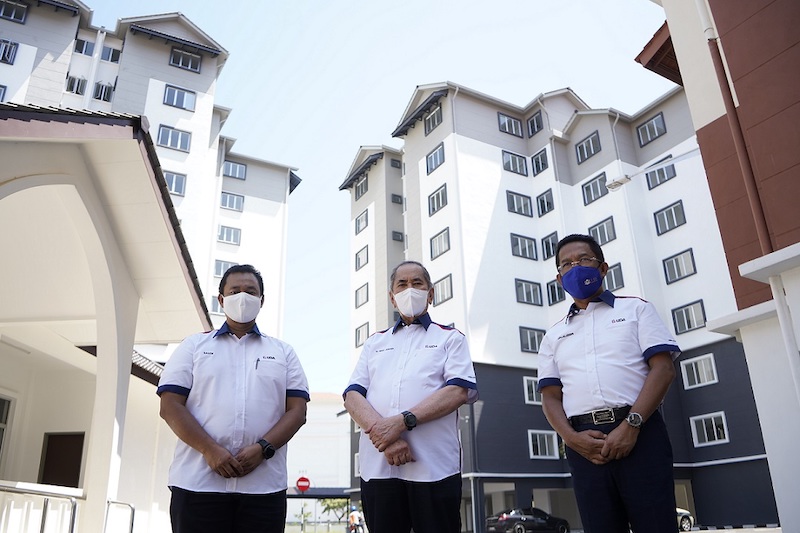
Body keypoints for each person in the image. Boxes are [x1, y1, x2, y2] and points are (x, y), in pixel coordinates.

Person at [538, 234, 680, 533]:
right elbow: (550, 396)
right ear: (559, 278)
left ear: (603, 268)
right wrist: (571, 439)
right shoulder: (553, 335)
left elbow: (663, 368)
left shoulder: (637, 310)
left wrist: (631, 425)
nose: (575, 267)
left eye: (584, 259)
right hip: (583, 444)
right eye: (566, 264)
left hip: (640, 433)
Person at [157, 264, 310, 533]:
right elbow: (170, 406)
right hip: (197, 484)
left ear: (261, 300)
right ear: (221, 299)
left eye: (250, 292)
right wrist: (210, 450)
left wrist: (263, 448)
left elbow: (297, 412)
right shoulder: (193, 346)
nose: (242, 297)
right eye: (234, 291)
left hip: (263, 488)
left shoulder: (283, 353)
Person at [343, 261, 478, 533]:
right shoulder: (375, 343)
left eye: (417, 283)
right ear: (392, 297)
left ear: (431, 293)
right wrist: (385, 437)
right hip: (379, 469)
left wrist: (401, 422)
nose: (410, 289)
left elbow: (457, 391)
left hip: (434, 469)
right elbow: (352, 396)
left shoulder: (450, 339)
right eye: (402, 285)